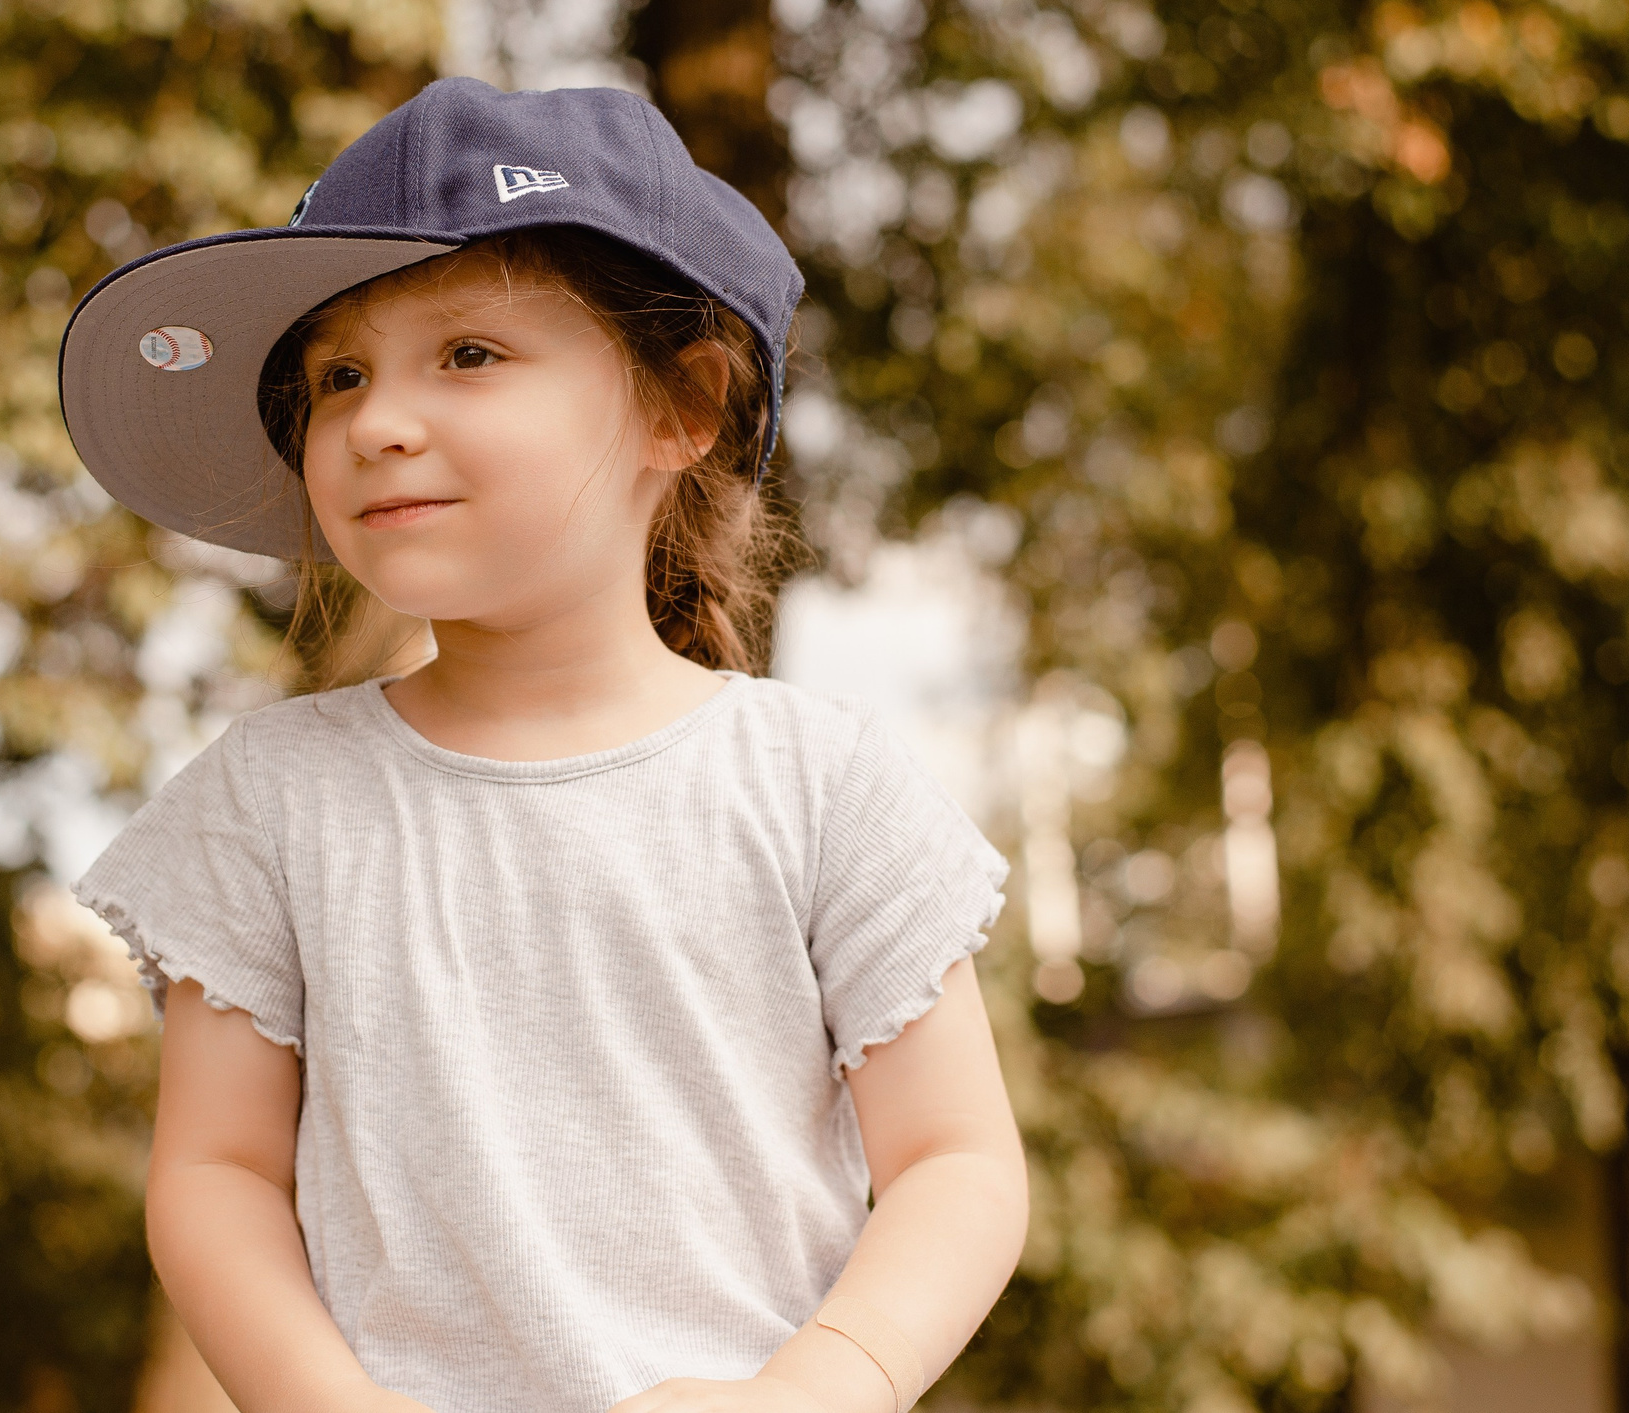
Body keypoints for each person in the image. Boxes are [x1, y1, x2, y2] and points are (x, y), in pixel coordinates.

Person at [60, 78, 1028, 1413]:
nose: (377, 418)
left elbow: (957, 1161)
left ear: (679, 406)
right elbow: (215, 1171)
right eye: (340, 373)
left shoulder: (816, 782)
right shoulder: (271, 800)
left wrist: (819, 1385)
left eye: (466, 353)